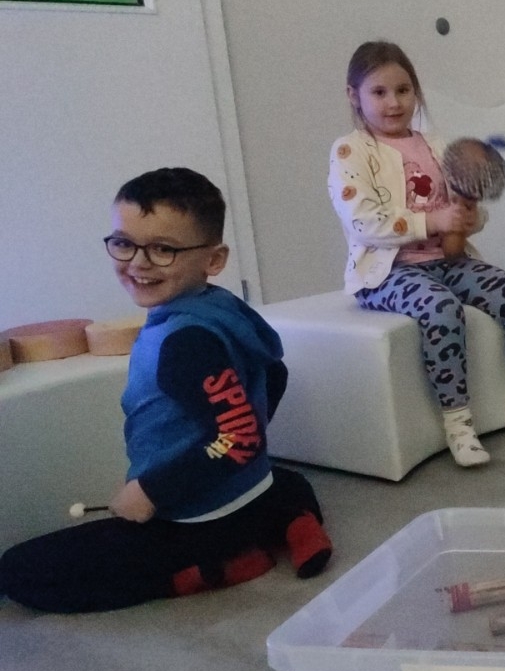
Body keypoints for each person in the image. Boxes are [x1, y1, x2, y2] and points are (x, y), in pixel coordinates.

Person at [0, 169, 332, 613]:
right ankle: (296, 523)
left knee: (19, 571)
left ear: (213, 259)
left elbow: (239, 438)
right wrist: (242, 434)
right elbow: (275, 375)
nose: (138, 262)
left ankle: (207, 569)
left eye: (163, 249)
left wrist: (150, 491)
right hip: (247, 487)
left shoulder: (184, 342)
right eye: (124, 243)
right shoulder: (223, 306)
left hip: (193, 518)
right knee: (286, 482)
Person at [330, 40, 505, 468]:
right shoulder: (350, 151)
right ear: (354, 96)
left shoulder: (436, 144)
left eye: (403, 90)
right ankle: (459, 424)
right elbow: (362, 222)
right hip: (386, 273)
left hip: (448, 261)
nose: (394, 103)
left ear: (416, 92)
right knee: (441, 309)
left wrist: (470, 214)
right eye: (379, 92)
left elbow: (464, 215)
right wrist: (433, 222)